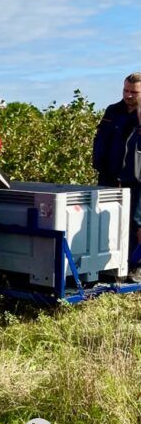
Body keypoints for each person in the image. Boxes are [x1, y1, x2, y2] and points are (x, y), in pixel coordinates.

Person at [92, 72, 141, 281]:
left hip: (137, 179)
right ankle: (112, 267)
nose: (128, 95)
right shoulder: (113, 110)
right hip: (110, 177)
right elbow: (101, 139)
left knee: (137, 224)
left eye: (134, 92)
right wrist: (99, 164)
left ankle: (136, 266)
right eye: (126, 90)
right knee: (107, 222)